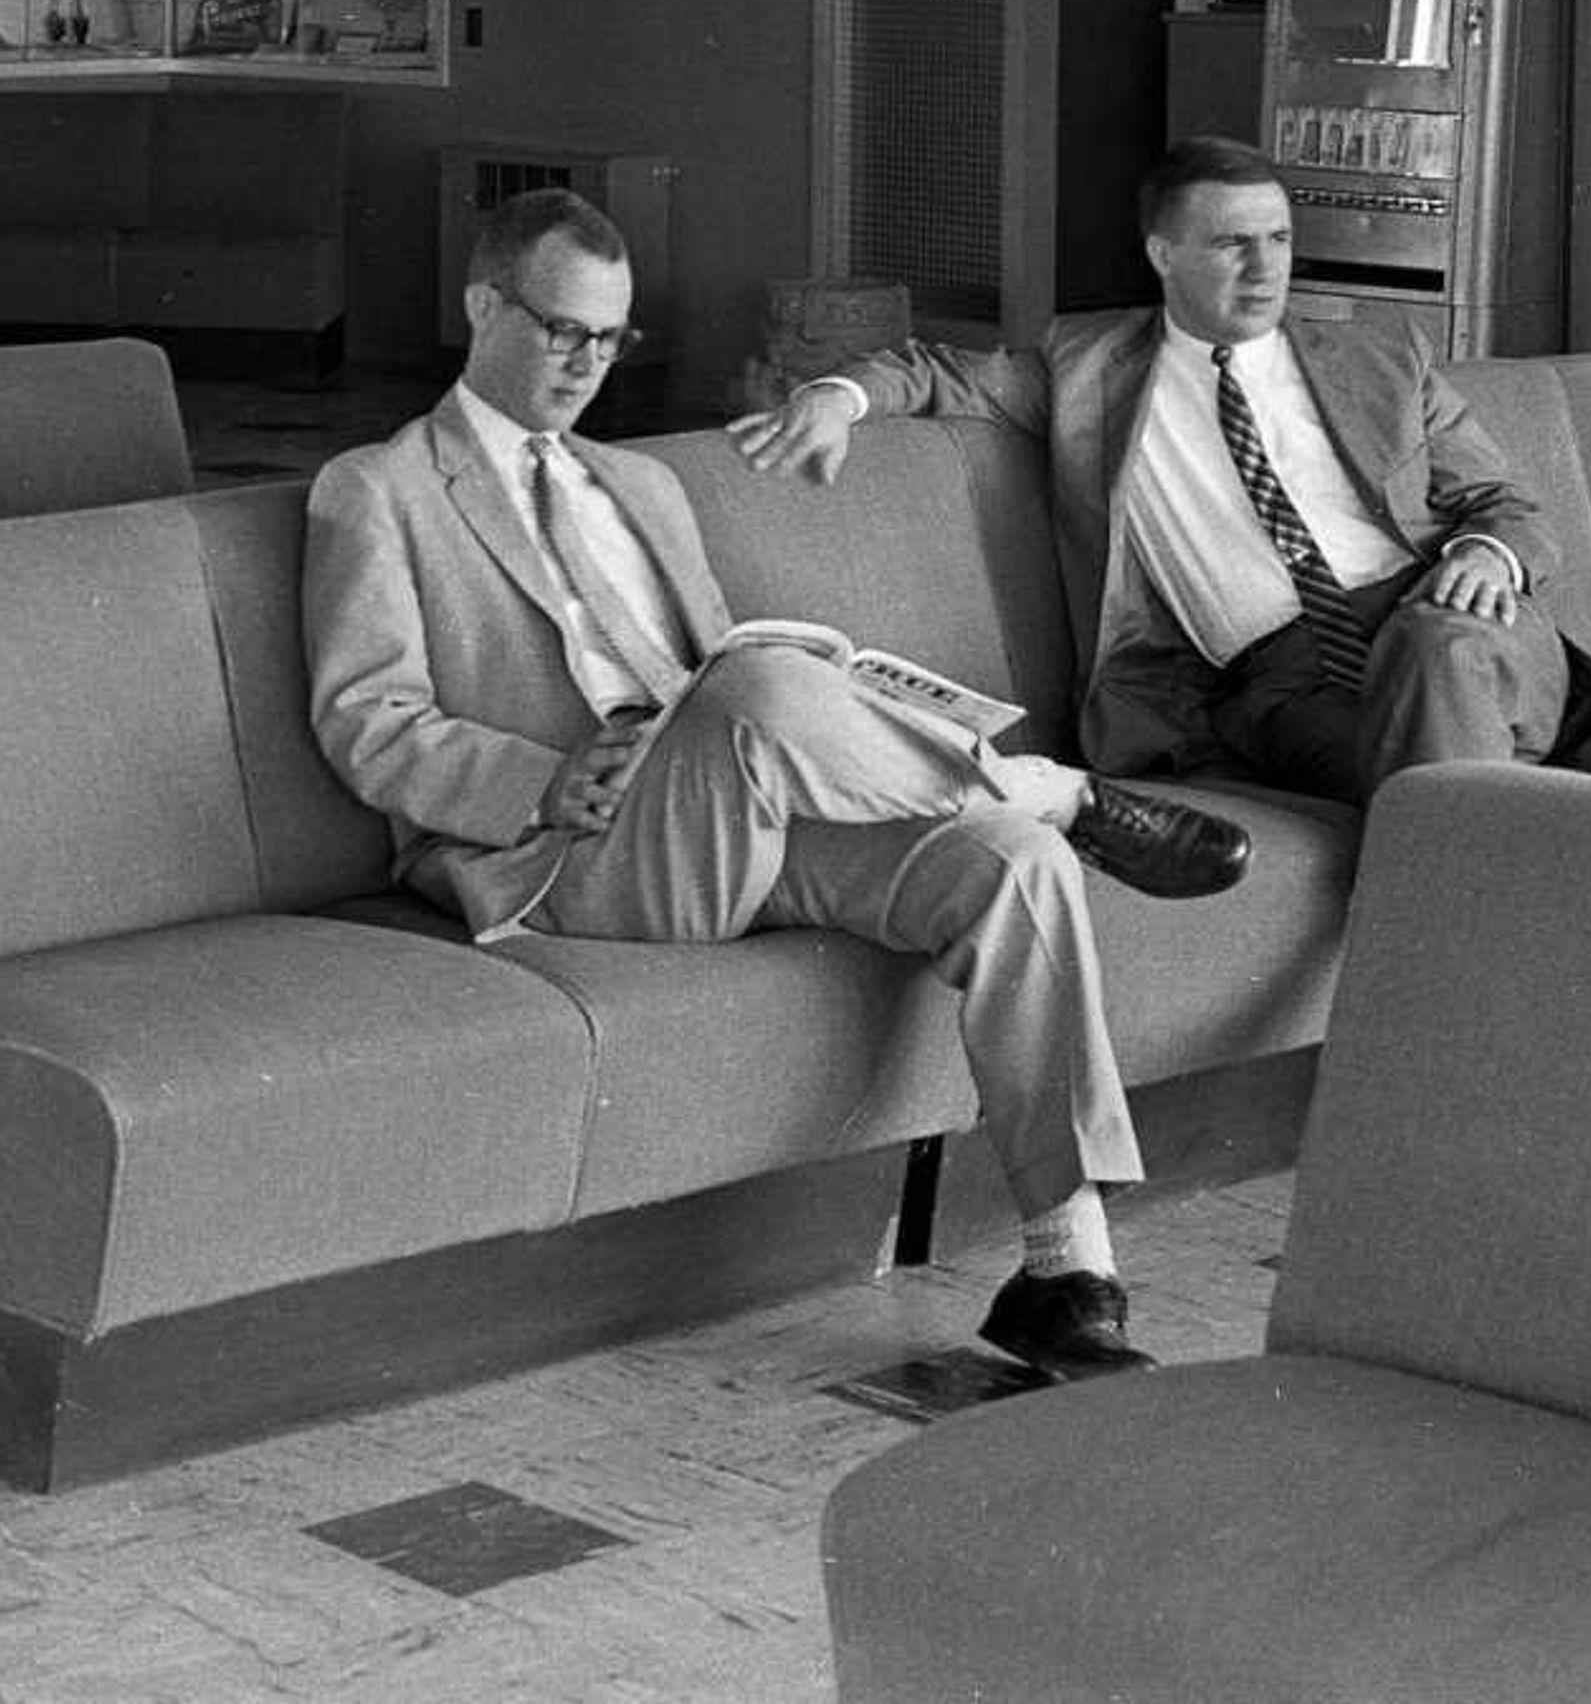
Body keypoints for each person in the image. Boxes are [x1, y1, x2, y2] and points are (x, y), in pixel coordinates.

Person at [304, 186, 1251, 1381]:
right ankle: (1043, 782)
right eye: (560, 330)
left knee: (1008, 860)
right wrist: (543, 781)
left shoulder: (638, 482)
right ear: (482, 303)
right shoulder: (377, 487)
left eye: (610, 338)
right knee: (759, 695)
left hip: (727, 810)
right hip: (574, 850)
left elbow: (705, 672)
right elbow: (365, 719)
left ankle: (1067, 1267)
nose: (587, 363)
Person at [732, 133, 1591, 803]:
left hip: (1439, 616)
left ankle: (1463, 948)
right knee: (1417, 787)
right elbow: (930, 369)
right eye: (1232, 244)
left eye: (1277, 239)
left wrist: (1484, 556)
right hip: (1280, 685)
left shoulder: (1386, 360)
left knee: (1439, 659)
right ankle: (1508, 877)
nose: (1264, 266)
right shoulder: (1085, 372)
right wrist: (835, 397)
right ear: (1165, 255)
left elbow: (1506, 505)